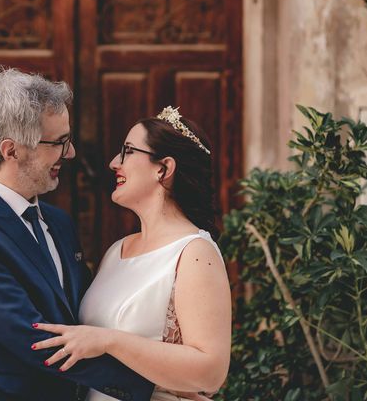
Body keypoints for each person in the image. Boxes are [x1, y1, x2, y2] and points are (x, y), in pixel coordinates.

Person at [0, 68, 154, 401]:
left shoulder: (59, 223)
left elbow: (86, 315)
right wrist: (151, 388)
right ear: (11, 150)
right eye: (59, 143)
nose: (72, 153)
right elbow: (33, 339)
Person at [32, 106, 232, 400]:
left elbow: (211, 372)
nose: (114, 163)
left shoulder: (194, 253)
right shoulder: (116, 252)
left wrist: (110, 341)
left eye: (127, 151)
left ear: (163, 168)